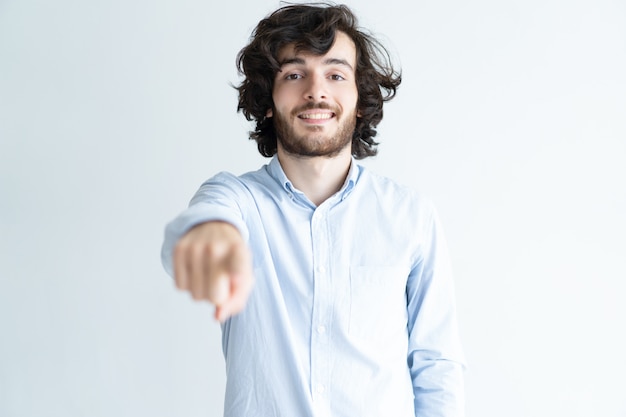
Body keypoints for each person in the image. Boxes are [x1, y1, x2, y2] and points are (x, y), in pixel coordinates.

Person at [161, 3, 465, 416]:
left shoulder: (411, 216)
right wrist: (211, 235)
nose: (316, 91)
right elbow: (196, 227)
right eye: (294, 74)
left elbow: (436, 366)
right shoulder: (236, 200)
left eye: (336, 75)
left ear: (360, 99)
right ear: (268, 98)